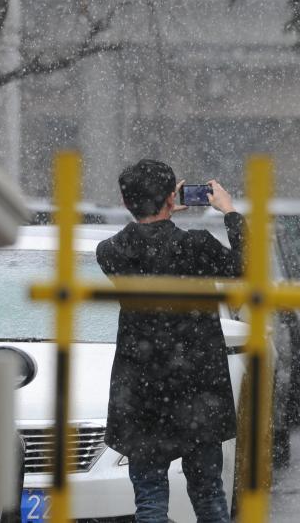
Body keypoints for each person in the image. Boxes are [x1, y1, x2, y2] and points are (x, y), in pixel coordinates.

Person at [96, 159, 243, 523]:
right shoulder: (195, 246)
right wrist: (231, 212)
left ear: (124, 200)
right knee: (208, 495)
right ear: (170, 198)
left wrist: (159, 207)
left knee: (149, 500)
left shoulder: (111, 252)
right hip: (197, 391)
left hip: (142, 392)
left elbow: (148, 245)